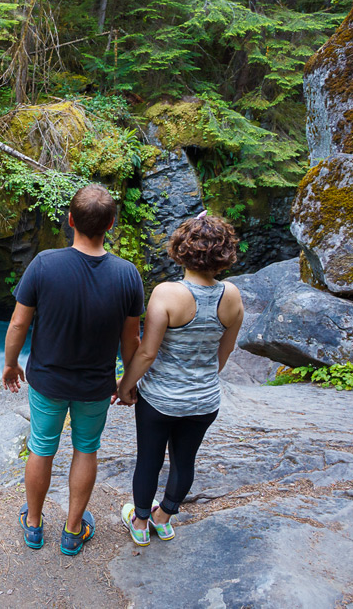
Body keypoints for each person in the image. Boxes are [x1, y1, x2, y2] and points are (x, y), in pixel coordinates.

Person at [3, 184, 144, 556]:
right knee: (86, 449)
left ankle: (33, 525)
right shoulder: (128, 275)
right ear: (111, 224)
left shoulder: (44, 264)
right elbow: (131, 341)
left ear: (70, 220)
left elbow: (18, 325)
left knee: (42, 447)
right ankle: (72, 530)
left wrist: (10, 364)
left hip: (47, 381)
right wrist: (127, 384)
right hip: (96, 386)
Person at [116, 212, 244, 546]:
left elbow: (146, 353)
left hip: (159, 400)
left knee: (149, 459)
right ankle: (165, 517)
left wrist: (125, 385)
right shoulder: (231, 296)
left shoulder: (167, 294)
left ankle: (141, 523)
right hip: (204, 401)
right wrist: (199, 381)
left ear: (181, 249)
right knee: (184, 461)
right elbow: (225, 352)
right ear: (225, 254)